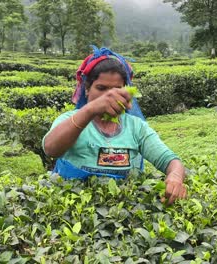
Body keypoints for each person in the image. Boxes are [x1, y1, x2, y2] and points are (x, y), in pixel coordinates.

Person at [42, 46, 187, 204]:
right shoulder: (71, 119)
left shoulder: (136, 127)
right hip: (73, 208)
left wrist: (175, 177)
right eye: (101, 88)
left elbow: (171, 161)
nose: (110, 95)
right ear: (87, 89)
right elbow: (51, 149)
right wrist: (90, 110)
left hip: (120, 214)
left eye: (117, 89)